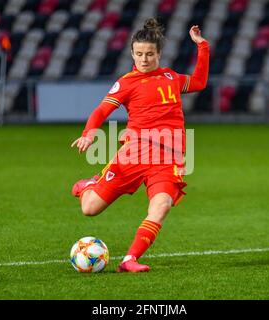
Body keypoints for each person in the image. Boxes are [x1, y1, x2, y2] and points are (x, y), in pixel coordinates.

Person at [71, 18, 210, 272]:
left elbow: (199, 82)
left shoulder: (171, 77)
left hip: (168, 157)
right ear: (132, 54)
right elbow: (102, 110)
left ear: (158, 53)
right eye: (138, 54)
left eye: (149, 54)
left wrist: (202, 47)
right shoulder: (126, 83)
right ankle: (88, 186)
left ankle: (129, 260)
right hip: (133, 154)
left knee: (162, 205)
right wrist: (89, 133)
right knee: (89, 209)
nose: (143, 59)